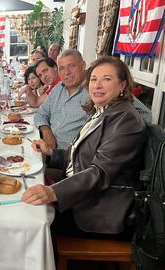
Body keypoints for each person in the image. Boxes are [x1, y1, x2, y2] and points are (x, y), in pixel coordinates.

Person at [23, 56, 147, 238]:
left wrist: (53, 191)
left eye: (107, 79)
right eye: (94, 79)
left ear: (122, 85)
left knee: (31, 224)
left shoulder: (126, 120)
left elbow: (100, 173)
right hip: (83, 195)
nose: (97, 85)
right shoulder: (103, 111)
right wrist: (52, 153)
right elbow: (81, 157)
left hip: (100, 211)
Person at [34, 49, 151, 150]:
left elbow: (145, 114)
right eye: (62, 68)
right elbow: (41, 113)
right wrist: (46, 131)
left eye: (72, 66)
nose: (67, 73)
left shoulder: (98, 91)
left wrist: (110, 140)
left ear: (83, 65)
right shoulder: (58, 89)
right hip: (50, 152)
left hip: (75, 162)